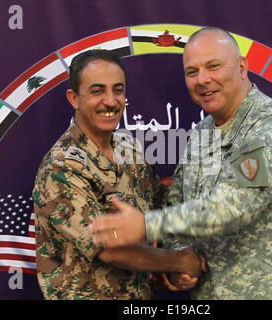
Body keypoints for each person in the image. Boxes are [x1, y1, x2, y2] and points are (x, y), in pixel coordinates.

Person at [90, 27, 272, 299]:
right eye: (192, 72)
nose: (202, 80)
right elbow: (181, 202)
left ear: (241, 67)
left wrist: (146, 225)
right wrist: (181, 257)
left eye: (213, 66)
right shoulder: (201, 134)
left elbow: (234, 206)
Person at [32, 49, 205, 300]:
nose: (111, 101)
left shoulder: (129, 147)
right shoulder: (61, 166)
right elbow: (109, 249)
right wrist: (180, 262)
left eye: (118, 90)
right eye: (97, 91)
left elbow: (161, 206)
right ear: (74, 98)